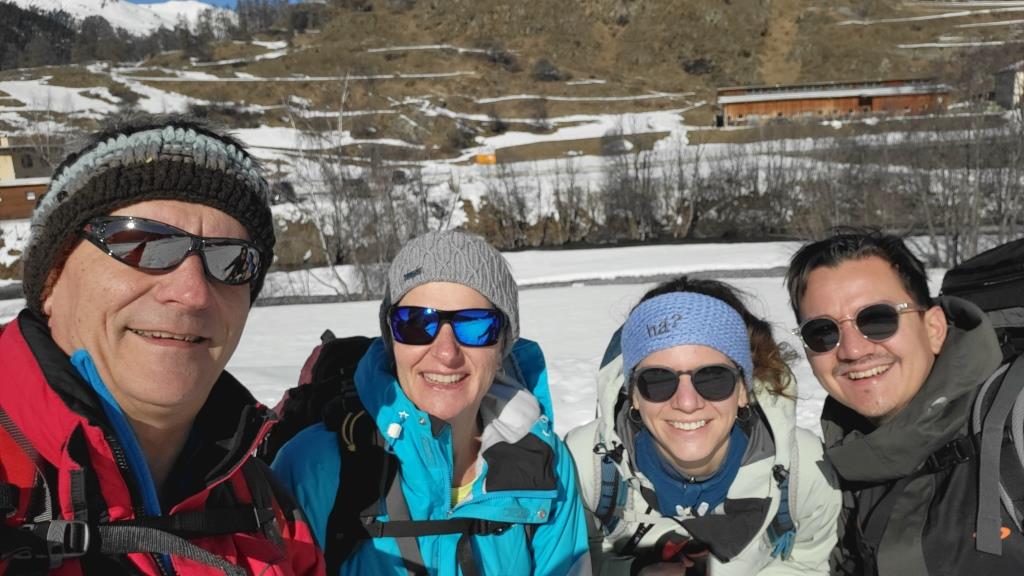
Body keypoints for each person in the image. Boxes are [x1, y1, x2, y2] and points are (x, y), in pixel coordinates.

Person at [0, 116, 325, 575]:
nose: (192, 292)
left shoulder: (269, 514)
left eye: (232, 260)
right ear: (52, 280)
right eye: (141, 243)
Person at [271, 230, 592, 575]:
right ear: (392, 340)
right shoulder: (314, 466)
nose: (447, 353)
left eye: (475, 325)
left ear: (502, 346)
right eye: (416, 323)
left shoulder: (544, 464)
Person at [785, 229, 1024, 574]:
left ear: (934, 329)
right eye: (822, 332)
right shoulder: (841, 464)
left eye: (877, 319)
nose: (853, 350)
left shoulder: (1014, 419)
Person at [566, 276, 840, 575]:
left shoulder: (803, 469)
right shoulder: (583, 469)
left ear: (744, 390)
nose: (687, 402)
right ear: (633, 395)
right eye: (658, 380)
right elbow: (569, 564)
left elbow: (806, 562)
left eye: (713, 378)